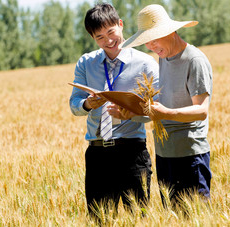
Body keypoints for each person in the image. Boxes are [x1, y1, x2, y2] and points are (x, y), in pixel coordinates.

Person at [69, 3, 159, 218]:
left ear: (120, 24)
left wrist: (131, 114)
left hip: (132, 152)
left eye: (111, 32)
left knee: (138, 217)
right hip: (98, 153)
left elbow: (156, 110)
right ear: (92, 38)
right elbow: (74, 105)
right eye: (99, 37)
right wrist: (88, 105)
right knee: (99, 220)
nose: (108, 41)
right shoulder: (85, 63)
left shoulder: (145, 63)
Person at [120, 4, 213, 208]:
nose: (151, 46)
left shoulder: (194, 60)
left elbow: (201, 110)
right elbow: (162, 110)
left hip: (190, 156)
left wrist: (167, 112)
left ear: (170, 32)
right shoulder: (164, 58)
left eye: (154, 39)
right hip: (164, 155)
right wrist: (133, 114)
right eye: (146, 42)